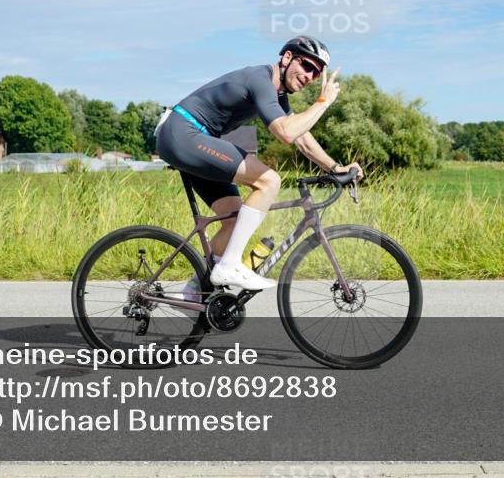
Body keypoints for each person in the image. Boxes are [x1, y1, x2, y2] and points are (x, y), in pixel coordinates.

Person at [155, 36, 364, 296]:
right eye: (307, 66)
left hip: (196, 138)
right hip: (184, 134)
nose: (310, 76)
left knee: (233, 218)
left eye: (317, 72)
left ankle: (195, 291)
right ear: (287, 58)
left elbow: (302, 139)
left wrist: (335, 167)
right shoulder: (260, 80)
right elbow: (286, 133)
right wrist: (323, 102)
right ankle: (228, 266)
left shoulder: (276, 94)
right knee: (269, 180)